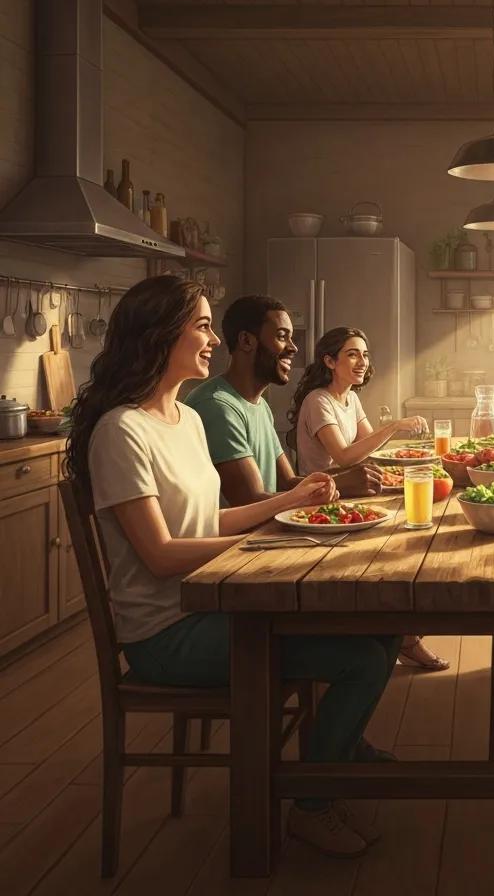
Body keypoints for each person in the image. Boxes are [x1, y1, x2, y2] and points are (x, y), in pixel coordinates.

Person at [66, 276, 402, 859]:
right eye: (200, 325)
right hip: (168, 630)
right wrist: (265, 545)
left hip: (218, 602)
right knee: (361, 661)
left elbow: (208, 521)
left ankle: (334, 760)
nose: (213, 339)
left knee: (379, 625)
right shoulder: (121, 431)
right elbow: (163, 553)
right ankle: (312, 805)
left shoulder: (185, 420)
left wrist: (287, 505)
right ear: (157, 335)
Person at [289, 325, 449, 673]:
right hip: (323, 503)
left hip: (352, 492)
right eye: (352, 354)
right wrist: (394, 426)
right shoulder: (318, 401)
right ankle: (403, 638)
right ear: (329, 361)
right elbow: (345, 457)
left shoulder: (350, 398)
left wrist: (406, 463)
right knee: (401, 547)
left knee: (415, 539)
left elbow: (369, 452)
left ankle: (398, 635)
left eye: (365, 354)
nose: (362, 361)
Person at [185, 294, 381, 504]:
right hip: (243, 537)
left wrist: (347, 480)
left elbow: (287, 482)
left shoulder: (260, 405)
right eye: (281, 336)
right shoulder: (217, 405)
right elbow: (251, 500)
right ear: (247, 341)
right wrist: (341, 483)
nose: (293, 347)